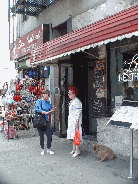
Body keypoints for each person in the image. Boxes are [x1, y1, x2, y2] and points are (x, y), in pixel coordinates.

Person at [35, 89, 56, 155]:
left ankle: (49, 149)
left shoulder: (48, 102)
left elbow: (50, 110)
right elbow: (37, 109)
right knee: (41, 136)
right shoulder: (39, 101)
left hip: (46, 120)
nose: (48, 96)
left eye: (49, 95)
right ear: (43, 95)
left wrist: (52, 110)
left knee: (49, 135)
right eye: (47, 95)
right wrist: (42, 111)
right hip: (40, 120)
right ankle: (42, 149)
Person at [67, 86, 82, 157]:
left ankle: (77, 150)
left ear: (74, 94)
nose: (68, 95)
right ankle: (73, 149)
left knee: (76, 136)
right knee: (73, 135)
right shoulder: (71, 101)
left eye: (70, 93)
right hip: (71, 121)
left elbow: (78, 112)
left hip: (75, 121)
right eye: (68, 93)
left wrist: (77, 121)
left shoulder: (77, 102)